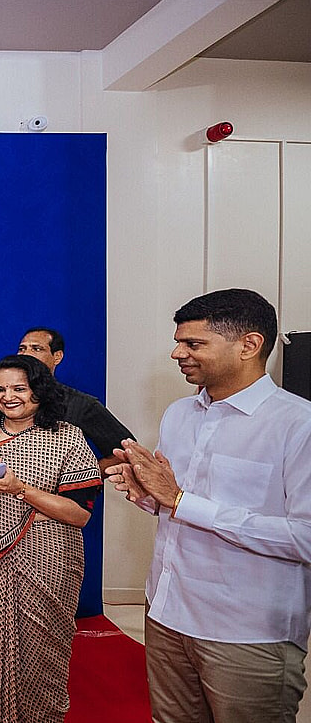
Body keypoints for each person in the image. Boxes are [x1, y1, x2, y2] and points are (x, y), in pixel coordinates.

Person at [108, 288, 311, 723]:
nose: (176, 352)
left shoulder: (298, 425)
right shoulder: (180, 413)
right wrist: (148, 495)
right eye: (179, 341)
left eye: (193, 344)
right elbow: (173, 503)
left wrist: (182, 501)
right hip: (165, 612)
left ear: (249, 346)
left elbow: (305, 538)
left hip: (246, 632)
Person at [0, 354, 101, 723]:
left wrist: (20, 489)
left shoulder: (67, 437)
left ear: (39, 392)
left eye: (19, 388)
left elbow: (80, 512)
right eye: (0, 389)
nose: (8, 396)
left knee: (41, 650)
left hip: (48, 559)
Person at [18, 326, 133, 471]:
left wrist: (84, 478)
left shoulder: (80, 404)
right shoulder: (3, 400)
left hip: (59, 494)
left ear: (57, 356)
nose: (26, 354)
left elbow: (126, 451)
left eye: (36, 349)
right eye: (22, 349)